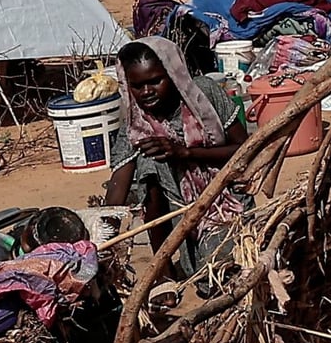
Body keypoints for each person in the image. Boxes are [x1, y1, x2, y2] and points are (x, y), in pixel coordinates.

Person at [104, 37, 252, 277]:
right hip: (178, 213)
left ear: (173, 73)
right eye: (137, 86)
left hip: (224, 201)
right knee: (149, 158)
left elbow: (246, 149)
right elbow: (117, 187)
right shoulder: (135, 124)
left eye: (155, 81)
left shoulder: (204, 92)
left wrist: (186, 153)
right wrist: (101, 241)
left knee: (216, 278)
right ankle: (162, 268)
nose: (146, 92)